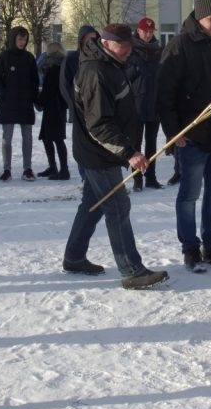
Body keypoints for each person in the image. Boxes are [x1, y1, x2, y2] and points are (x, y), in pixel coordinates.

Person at [62, 23, 169, 289]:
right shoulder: (96, 72)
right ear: (108, 43)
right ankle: (131, 270)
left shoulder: (110, 63)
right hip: (98, 153)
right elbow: (98, 124)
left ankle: (74, 257)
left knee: (94, 203)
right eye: (124, 47)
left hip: (101, 151)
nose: (129, 52)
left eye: (130, 46)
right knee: (117, 206)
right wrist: (129, 152)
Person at [157, 0, 211, 272]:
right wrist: (173, 132)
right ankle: (190, 248)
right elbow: (164, 95)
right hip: (192, 136)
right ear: (198, 17)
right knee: (189, 195)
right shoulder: (180, 46)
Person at [0, 26, 39, 181]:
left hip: (25, 104)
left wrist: (32, 96)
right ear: (13, 39)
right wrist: (3, 93)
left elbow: (34, 79)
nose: (22, 42)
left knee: (28, 137)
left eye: (25, 39)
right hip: (8, 104)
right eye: (20, 39)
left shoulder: (29, 58)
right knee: (7, 138)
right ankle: (7, 169)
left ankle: (28, 169)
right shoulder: (3, 57)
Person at [127, 17, 164, 191]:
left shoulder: (158, 50)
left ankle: (151, 176)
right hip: (136, 104)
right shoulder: (131, 50)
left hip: (154, 102)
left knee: (152, 143)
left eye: (151, 31)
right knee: (135, 143)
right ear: (139, 31)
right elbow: (125, 76)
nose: (148, 34)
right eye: (145, 31)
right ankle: (137, 179)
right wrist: (134, 71)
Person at [60, 25, 98, 182]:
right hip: (78, 111)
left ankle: (95, 177)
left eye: (94, 38)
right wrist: (73, 105)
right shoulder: (71, 58)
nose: (91, 41)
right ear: (81, 40)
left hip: (97, 111)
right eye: (88, 38)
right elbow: (64, 85)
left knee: (97, 145)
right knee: (81, 147)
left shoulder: (100, 57)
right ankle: (85, 177)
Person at [35, 42, 70, 180]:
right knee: (49, 138)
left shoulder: (54, 68)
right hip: (58, 107)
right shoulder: (63, 66)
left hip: (53, 108)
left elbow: (48, 90)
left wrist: (38, 100)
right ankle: (55, 167)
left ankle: (63, 169)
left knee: (56, 139)